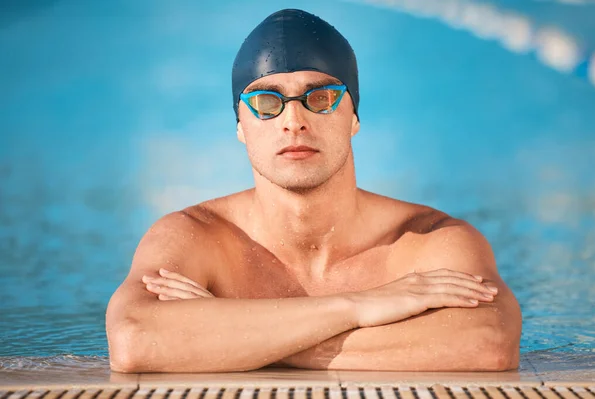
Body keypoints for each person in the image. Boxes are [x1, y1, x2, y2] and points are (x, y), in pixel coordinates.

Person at [106, 8, 522, 373]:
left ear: (353, 116)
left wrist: (231, 339)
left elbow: (488, 342)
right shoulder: (195, 236)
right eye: (267, 103)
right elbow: (134, 340)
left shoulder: (427, 240)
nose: (293, 121)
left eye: (320, 97)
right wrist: (358, 306)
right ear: (240, 127)